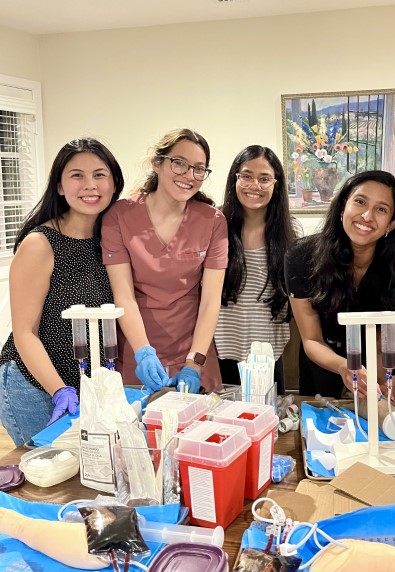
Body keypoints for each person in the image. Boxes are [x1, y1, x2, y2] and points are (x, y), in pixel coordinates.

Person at [0, 138, 124, 445]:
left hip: (85, 383)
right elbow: (24, 332)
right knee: (44, 478)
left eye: (99, 174)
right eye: (76, 175)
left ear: (113, 183)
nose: (89, 185)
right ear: (59, 186)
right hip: (34, 384)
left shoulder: (110, 241)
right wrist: (59, 390)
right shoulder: (40, 244)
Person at [101, 129, 228, 394]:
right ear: (157, 163)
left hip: (193, 351)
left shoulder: (212, 221)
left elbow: (210, 300)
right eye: (179, 162)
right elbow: (123, 296)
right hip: (137, 351)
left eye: (199, 169)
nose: (188, 175)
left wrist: (195, 362)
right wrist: (144, 353)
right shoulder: (119, 216)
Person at [284, 170, 395, 402]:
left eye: (381, 209)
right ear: (342, 207)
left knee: (383, 421)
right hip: (323, 357)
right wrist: (345, 367)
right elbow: (311, 339)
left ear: (392, 224)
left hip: (377, 358)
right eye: (360, 201)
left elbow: (380, 339)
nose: (367, 216)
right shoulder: (301, 256)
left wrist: (382, 383)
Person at [215, 145, 303, 394]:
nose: (255, 185)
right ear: (235, 178)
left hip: (267, 358)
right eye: (246, 176)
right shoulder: (215, 226)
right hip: (221, 352)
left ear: (276, 184)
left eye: (264, 178)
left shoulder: (290, 234)